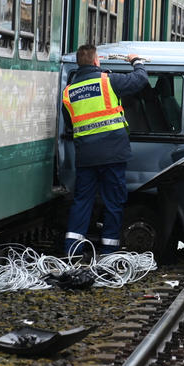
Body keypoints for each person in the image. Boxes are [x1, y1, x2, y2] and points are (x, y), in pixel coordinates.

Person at [62, 45, 148, 256]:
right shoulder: (107, 81)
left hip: (86, 156)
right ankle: (109, 250)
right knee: (113, 201)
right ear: (96, 61)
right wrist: (135, 61)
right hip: (113, 153)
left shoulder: (68, 92)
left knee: (82, 201)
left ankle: (72, 250)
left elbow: (70, 123)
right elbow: (141, 80)